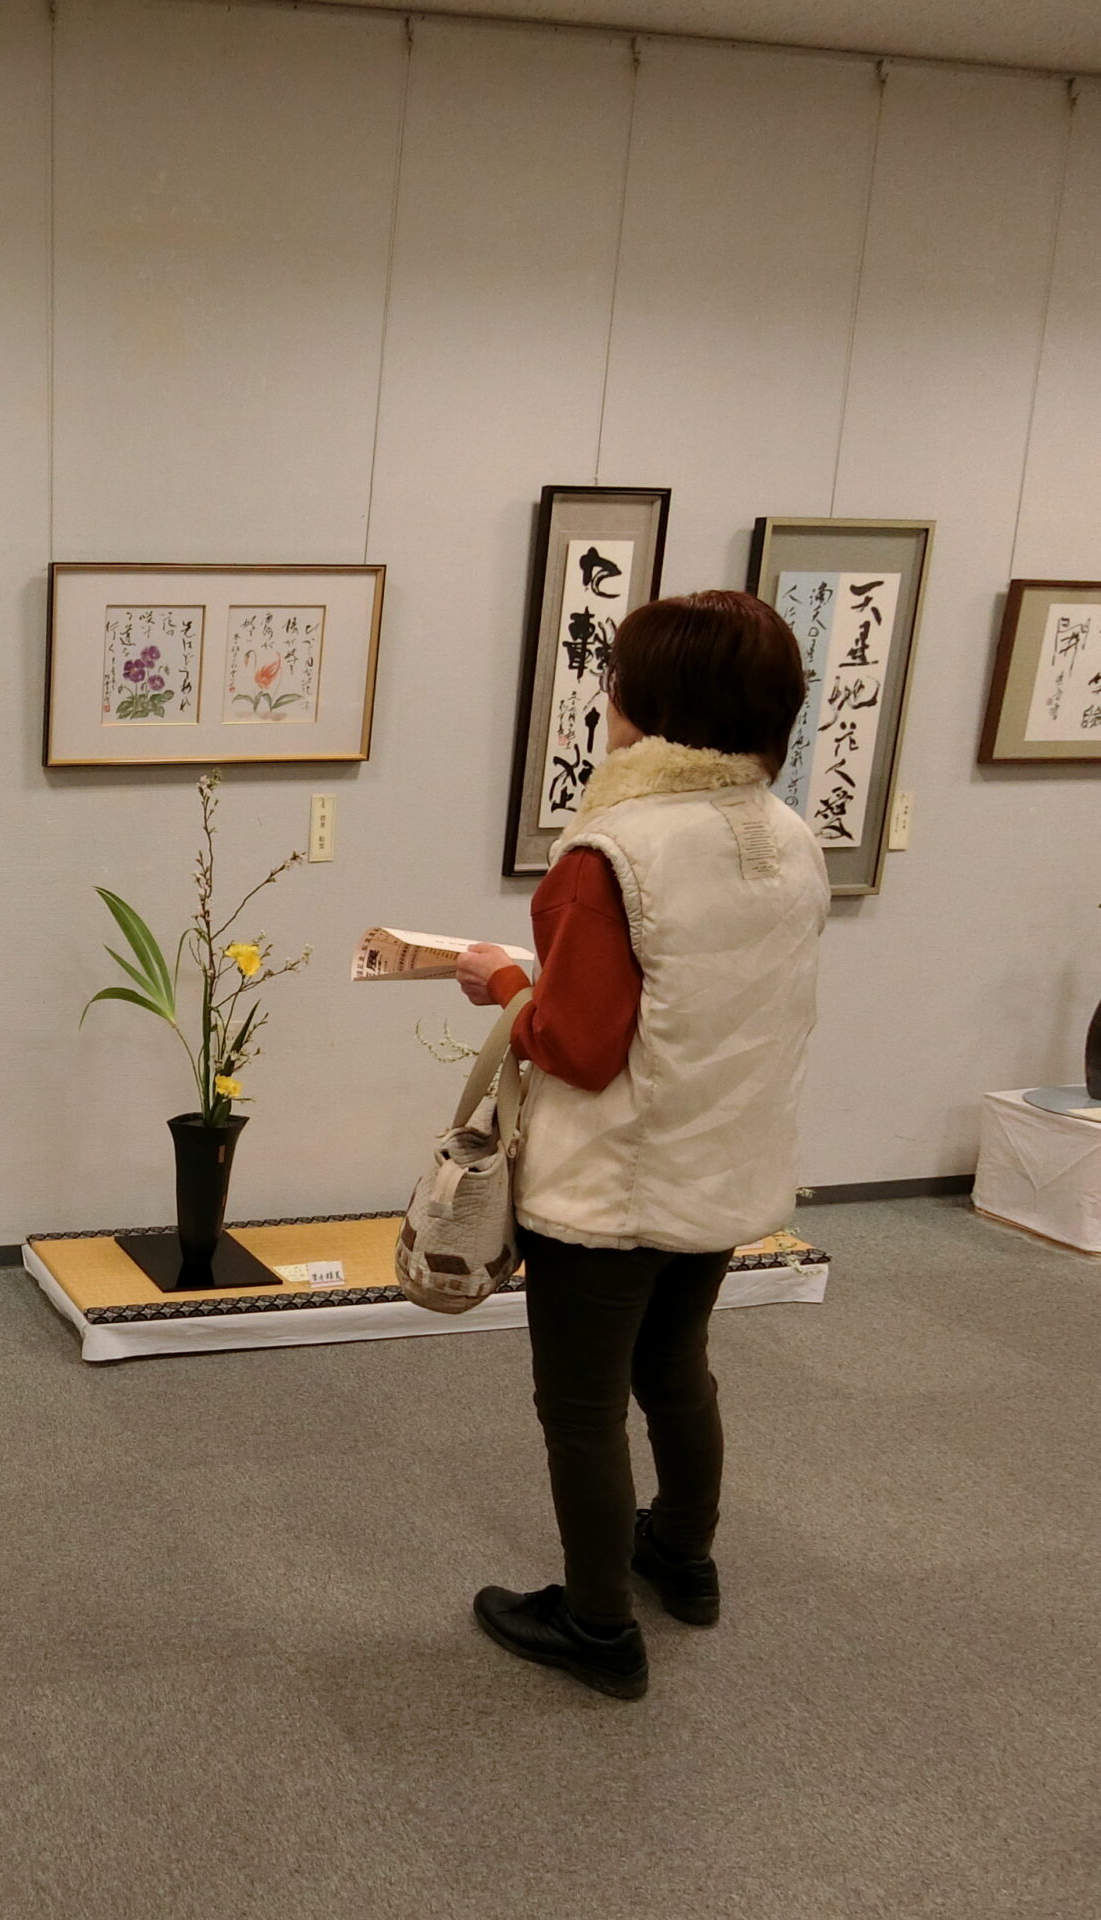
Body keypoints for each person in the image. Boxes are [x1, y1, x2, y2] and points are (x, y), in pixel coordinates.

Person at [453, 589, 828, 1701]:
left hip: (610, 1180)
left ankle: (598, 1624)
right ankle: (683, 1557)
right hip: (723, 1162)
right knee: (675, 1369)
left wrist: (502, 981)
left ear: (645, 703)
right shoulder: (788, 838)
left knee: (581, 1405)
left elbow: (575, 1045)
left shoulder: (612, 849)